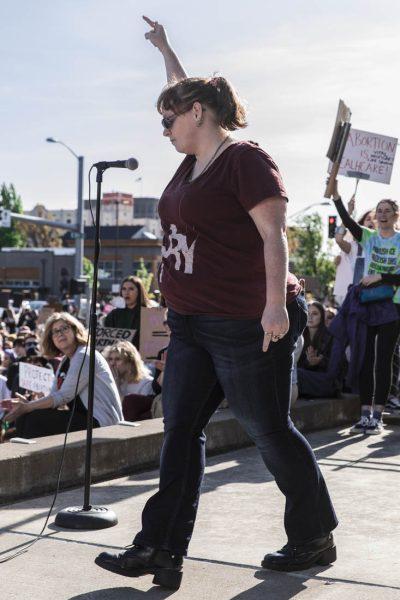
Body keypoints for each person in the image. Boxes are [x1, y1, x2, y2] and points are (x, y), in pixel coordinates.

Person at [95, 17, 337, 590]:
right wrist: (165, 49)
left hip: (248, 322)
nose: (163, 129)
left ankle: (313, 534)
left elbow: (274, 234)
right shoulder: (192, 159)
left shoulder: (244, 159)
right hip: (192, 323)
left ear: (198, 113)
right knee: (179, 430)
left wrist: (276, 307)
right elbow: (187, 88)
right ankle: (159, 548)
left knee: (267, 429)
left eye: (169, 117)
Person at [330, 181, 400, 434]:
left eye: (387, 211)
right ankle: (364, 414)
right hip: (366, 304)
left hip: (391, 306)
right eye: (378, 210)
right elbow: (348, 222)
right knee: (364, 357)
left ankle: (378, 416)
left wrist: (381, 277)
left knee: (383, 360)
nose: (381, 214)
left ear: (395, 216)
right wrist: (337, 198)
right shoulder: (368, 237)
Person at [1, 313, 123, 438]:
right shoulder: (65, 361)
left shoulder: (84, 354)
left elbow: (63, 396)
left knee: (34, 420)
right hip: (82, 418)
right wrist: (29, 404)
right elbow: (54, 396)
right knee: (25, 418)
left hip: (101, 422)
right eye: (55, 331)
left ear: (76, 331)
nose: (60, 333)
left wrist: (28, 407)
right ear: (51, 339)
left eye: (65, 328)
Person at [333, 196, 375, 306]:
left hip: (377, 298)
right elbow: (338, 238)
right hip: (355, 300)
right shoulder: (355, 247)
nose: (372, 221)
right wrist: (349, 212)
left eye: (375, 218)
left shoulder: (389, 246)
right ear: (362, 225)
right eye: (368, 219)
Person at [297, 302, 342, 398]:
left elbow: (336, 368)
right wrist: (309, 363)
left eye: (315, 313)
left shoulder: (331, 337)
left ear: (322, 316)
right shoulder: (300, 337)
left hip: (326, 381)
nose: (310, 317)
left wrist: (319, 361)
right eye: (307, 313)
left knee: (297, 375)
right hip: (306, 377)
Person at [104, 276, 152, 350]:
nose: (127, 292)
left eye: (131, 289)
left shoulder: (149, 314)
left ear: (139, 292)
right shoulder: (114, 315)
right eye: (124, 289)